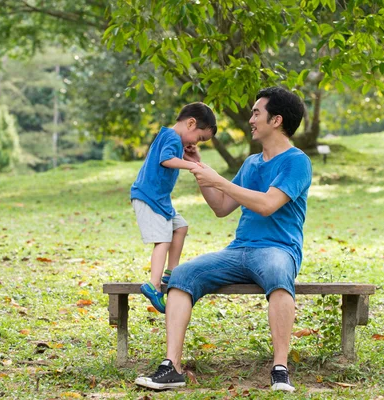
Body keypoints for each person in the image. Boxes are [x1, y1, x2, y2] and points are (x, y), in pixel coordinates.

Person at [134, 87, 312, 392]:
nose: (251, 118)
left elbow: (268, 204)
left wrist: (220, 180)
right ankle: (171, 367)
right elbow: (221, 207)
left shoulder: (296, 162)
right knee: (182, 275)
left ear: (277, 120)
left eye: (257, 113)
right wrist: (201, 170)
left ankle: (280, 369)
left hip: (277, 249)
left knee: (279, 275)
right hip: (239, 250)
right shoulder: (252, 163)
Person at [130, 103, 217, 313]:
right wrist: (193, 165)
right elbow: (166, 160)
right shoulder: (171, 137)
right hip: (149, 197)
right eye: (199, 138)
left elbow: (173, 155)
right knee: (163, 239)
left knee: (180, 227)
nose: (197, 143)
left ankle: (171, 271)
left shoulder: (173, 138)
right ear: (191, 123)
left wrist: (189, 156)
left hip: (160, 199)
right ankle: (154, 284)